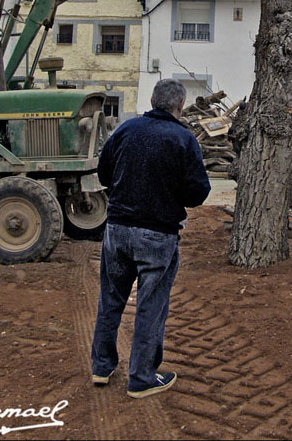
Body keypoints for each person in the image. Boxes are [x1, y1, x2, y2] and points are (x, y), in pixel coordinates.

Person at [91, 79, 211, 399]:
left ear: (153, 100)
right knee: (150, 305)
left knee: (111, 300)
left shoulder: (126, 131)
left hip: (116, 229)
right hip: (157, 234)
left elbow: (104, 173)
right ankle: (142, 377)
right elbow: (198, 192)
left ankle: (101, 366)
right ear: (180, 105)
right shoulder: (184, 139)